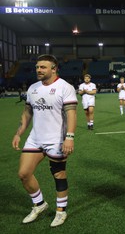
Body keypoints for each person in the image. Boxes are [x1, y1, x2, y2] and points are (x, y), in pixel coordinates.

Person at [11, 54, 78, 227]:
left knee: (59, 175)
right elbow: (27, 113)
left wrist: (69, 137)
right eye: (37, 67)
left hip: (56, 139)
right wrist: (19, 133)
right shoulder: (33, 88)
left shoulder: (65, 87)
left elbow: (71, 113)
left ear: (54, 69)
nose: (38, 70)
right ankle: (40, 205)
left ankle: (61, 212)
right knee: (23, 174)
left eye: (43, 67)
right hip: (35, 138)